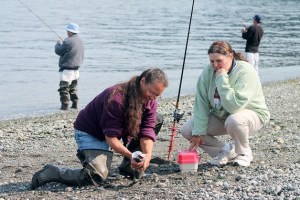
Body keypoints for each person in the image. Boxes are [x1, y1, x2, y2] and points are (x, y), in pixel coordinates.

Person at [31, 68, 168, 189]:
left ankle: (129, 167)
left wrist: (147, 156)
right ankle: (53, 172)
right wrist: (131, 154)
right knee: (96, 177)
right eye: (151, 92)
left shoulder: (151, 101)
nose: (153, 97)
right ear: (142, 81)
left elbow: (147, 131)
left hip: (113, 132)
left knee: (157, 119)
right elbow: (111, 138)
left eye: (157, 95)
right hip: (91, 132)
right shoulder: (116, 98)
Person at [180, 41, 270, 167]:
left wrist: (222, 78)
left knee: (234, 120)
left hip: (252, 114)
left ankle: (244, 153)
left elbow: (234, 107)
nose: (215, 65)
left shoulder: (246, 71)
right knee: (188, 130)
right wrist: (197, 133)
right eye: (212, 61)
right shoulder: (208, 72)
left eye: (219, 60)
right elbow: (201, 104)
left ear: (230, 56)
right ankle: (225, 150)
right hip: (222, 116)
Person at [55, 22, 84, 110]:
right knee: (73, 88)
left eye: (68, 31)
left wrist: (58, 43)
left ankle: (64, 106)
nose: (67, 32)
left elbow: (58, 51)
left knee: (64, 89)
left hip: (67, 69)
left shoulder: (68, 41)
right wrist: (64, 42)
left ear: (71, 31)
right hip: (76, 70)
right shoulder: (80, 41)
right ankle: (75, 105)